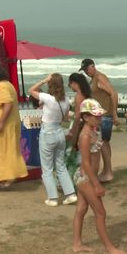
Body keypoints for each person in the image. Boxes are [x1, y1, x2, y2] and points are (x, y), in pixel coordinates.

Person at [72, 98, 127, 254]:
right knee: (100, 212)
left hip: (87, 177)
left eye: (100, 116)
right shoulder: (85, 136)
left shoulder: (93, 131)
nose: (99, 119)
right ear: (85, 117)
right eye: (96, 116)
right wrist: (96, 184)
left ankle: (77, 244)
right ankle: (109, 248)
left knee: (81, 209)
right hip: (85, 178)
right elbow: (86, 163)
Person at [28, 73, 78, 207]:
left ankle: (53, 197)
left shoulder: (48, 98)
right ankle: (70, 194)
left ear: (50, 84)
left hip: (47, 133)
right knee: (61, 166)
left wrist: (44, 80)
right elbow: (66, 118)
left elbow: (30, 90)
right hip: (59, 132)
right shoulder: (66, 100)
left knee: (47, 168)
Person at [79, 58, 119, 183]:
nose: (86, 72)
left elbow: (114, 94)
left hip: (105, 115)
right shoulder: (94, 79)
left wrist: (114, 113)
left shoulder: (100, 77)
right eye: (84, 70)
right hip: (100, 116)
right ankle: (106, 171)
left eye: (86, 69)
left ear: (92, 66)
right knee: (103, 144)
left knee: (104, 144)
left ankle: (108, 172)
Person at [66, 72, 92, 145]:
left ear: (74, 83)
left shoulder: (78, 96)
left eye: (70, 84)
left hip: (81, 126)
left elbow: (78, 116)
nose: (70, 86)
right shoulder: (86, 94)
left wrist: (72, 132)